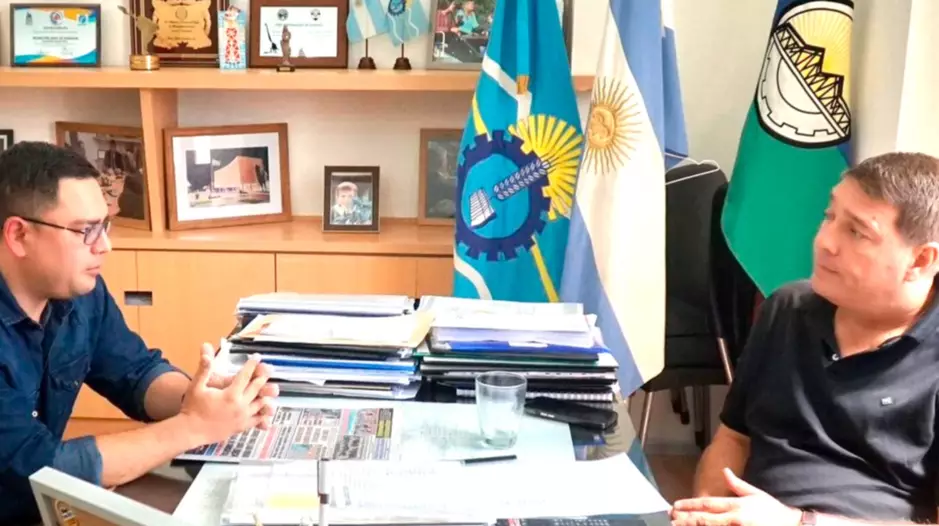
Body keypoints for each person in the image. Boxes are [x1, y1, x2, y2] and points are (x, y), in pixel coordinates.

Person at [0, 142, 279, 524]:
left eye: (105, 226)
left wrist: (201, 397)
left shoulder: (79, 292)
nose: (105, 246)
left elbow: (134, 372)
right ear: (18, 235)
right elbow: (38, 467)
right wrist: (194, 426)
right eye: (86, 230)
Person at [671, 152, 939, 525]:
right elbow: (734, 439)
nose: (824, 241)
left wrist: (798, 522)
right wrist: (710, 510)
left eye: (857, 232)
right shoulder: (788, 308)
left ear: (921, 260)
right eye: (829, 217)